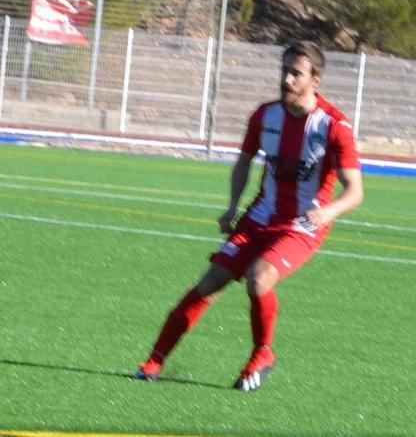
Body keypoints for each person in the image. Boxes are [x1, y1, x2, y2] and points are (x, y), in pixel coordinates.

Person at [134, 41, 364, 392]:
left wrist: (327, 211)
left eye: (295, 73)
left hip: (301, 227)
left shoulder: (334, 126)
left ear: (315, 80)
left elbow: (355, 191)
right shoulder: (264, 116)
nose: (285, 79)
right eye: (283, 70)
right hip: (258, 218)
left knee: (259, 278)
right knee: (208, 284)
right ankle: (154, 361)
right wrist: (231, 206)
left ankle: (262, 354)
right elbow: (243, 162)